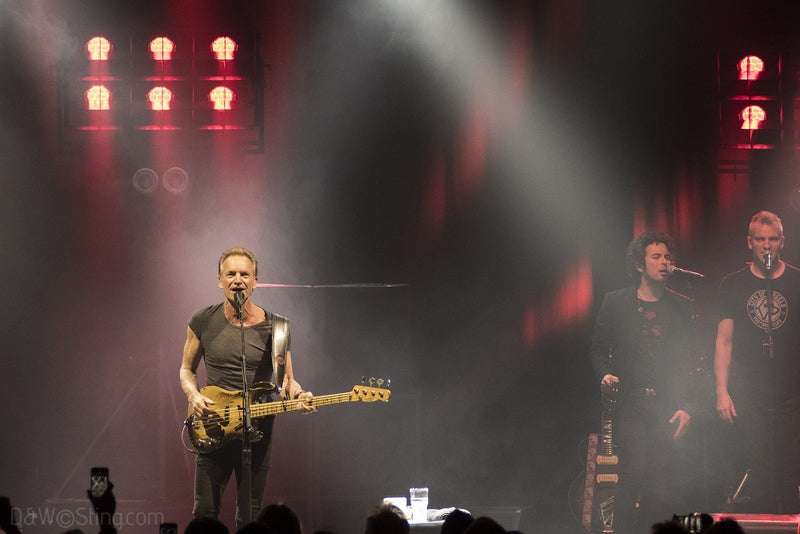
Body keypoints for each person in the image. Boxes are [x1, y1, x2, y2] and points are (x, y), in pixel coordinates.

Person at [180, 246, 315, 527]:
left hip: (258, 429)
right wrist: (193, 395)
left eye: (244, 274)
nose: (238, 280)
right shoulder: (202, 320)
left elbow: (286, 381)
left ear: (255, 281)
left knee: (250, 516)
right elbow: (186, 370)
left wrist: (299, 395)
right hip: (214, 424)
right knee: (204, 513)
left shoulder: (277, 327)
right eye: (231, 274)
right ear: (219, 280)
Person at [589, 231, 698, 534]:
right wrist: (604, 374)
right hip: (631, 403)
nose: (664, 262)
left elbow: (690, 361)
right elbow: (598, 348)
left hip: (665, 404)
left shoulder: (680, 307)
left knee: (661, 481)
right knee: (633, 472)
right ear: (639, 264)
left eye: (667, 257)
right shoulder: (616, 302)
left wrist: (688, 406)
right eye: (656, 257)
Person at [713, 210, 800, 513]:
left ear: (782, 242)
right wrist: (721, 391)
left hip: (792, 395)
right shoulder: (733, 284)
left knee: (790, 471)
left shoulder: (797, 280)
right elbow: (724, 341)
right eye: (760, 239)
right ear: (749, 242)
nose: (767, 245)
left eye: (773, 239)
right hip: (750, 395)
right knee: (758, 470)